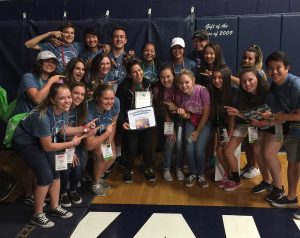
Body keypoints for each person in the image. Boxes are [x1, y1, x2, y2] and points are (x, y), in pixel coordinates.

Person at [13, 83, 95, 228]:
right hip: (26, 142)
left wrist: (84, 128)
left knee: (56, 172)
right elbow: (48, 146)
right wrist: (72, 144)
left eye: (68, 97)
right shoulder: (42, 117)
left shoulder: (64, 110)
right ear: (52, 100)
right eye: (62, 98)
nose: (68, 101)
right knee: (45, 176)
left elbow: (62, 130)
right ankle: (37, 214)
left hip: (43, 139)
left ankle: (54, 206)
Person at [251, 51, 300, 218]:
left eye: (278, 67)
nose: (274, 71)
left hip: (294, 123)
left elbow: (292, 115)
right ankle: (290, 197)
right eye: (271, 68)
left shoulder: (295, 85)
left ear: (287, 68)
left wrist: (277, 117)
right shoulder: (274, 86)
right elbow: (277, 115)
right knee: (293, 163)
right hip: (293, 128)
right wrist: (263, 122)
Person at [224, 67, 269, 192]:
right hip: (245, 124)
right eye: (243, 81)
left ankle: (268, 181)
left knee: (259, 151)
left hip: (261, 126)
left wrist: (241, 114)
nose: (247, 84)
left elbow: (263, 117)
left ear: (258, 79)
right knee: (228, 150)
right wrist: (231, 130)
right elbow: (235, 114)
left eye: (250, 80)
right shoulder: (240, 93)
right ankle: (236, 179)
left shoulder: (267, 93)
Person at [116, 59, 156, 183]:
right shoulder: (124, 87)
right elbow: (119, 107)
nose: (138, 74)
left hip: (146, 121)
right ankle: (128, 169)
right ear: (129, 75)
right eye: (134, 72)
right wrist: (122, 121)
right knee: (132, 148)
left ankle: (149, 167)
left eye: (139, 70)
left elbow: (154, 103)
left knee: (147, 147)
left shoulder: (149, 83)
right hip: (131, 122)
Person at [175, 69, 211, 188]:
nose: (184, 85)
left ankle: (201, 174)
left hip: (204, 122)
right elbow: (188, 115)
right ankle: (193, 173)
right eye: (181, 83)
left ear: (193, 81)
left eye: (187, 82)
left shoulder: (202, 91)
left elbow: (206, 114)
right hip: (191, 120)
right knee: (189, 146)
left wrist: (197, 131)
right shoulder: (179, 95)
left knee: (199, 148)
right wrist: (183, 114)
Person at [85, 84, 119, 196]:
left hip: (105, 132)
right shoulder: (89, 111)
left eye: (112, 98)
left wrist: (109, 140)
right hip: (90, 134)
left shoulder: (116, 103)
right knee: (102, 155)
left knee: (112, 156)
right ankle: (95, 183)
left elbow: (113, 123)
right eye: (106, 98)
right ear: (98, 98)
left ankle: (97, 177)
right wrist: (106, 135)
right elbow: (89, 144)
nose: (110, 101)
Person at [238, 45, 266, 179]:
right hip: (248, 113)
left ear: (256, 60)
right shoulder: (242, 71)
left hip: (258, 114)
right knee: (249, 141)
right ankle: (249, 165)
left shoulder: (259, 74)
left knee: (254, 142)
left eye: (250, 58)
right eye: (245, 57)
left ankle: (256, 167)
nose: (246, 60)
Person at [153, 64, 184, 182]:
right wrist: (171, 130)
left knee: (180, 141)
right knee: (170, 140)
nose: (165, 80)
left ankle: (179, 168)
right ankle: (166, 168)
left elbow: (185, 106)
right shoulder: (157, 90)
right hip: (166, 119)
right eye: (162, 77)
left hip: (181, 118)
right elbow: (163, 111)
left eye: (168, 76)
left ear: (173, 75)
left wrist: (175, 107)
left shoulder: (180, 86)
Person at [210, 65, 239, 188]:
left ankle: (237, 180)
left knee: (227, 150)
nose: (217, 80)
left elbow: (232, 115)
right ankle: (229, 175)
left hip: (238, 124)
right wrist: (221, 134)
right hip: (223, 126)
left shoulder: (233, 91)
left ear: (226, 78)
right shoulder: (214, 91)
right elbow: (218, 117)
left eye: (220, 77)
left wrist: (230, 133)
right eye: (214, 77)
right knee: (219, 150)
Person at [59, 81, 87, 207]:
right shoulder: (63, 107)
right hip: (58, 143)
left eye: (82, 94)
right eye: (76, 93)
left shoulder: (82, 108)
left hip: (74, 142)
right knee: (67, 164)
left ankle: (73, 189)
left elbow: (78, 132)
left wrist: (73, 148)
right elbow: (61, 133)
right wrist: (69, 148)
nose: (79, 97)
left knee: (78, 167)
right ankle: (63, 192)